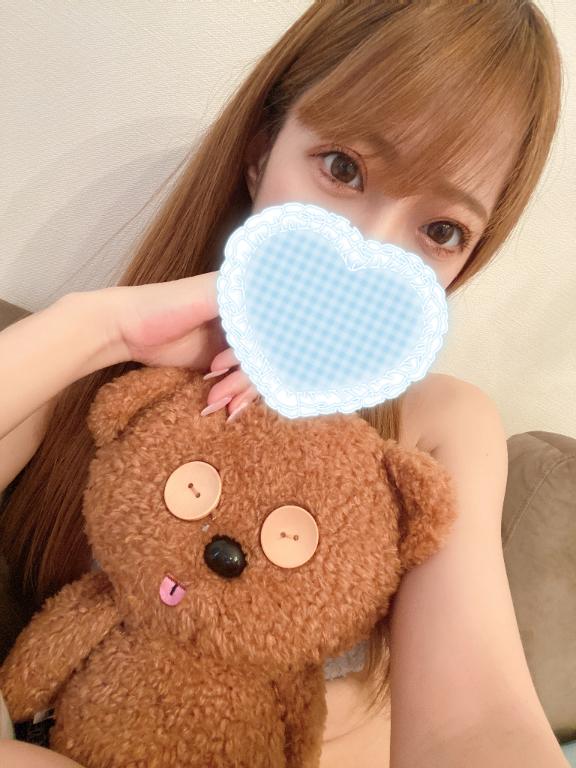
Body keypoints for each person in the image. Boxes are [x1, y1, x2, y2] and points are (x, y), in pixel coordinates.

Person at [0, 1, 569, 766]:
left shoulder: (440, 425)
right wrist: (100, 328)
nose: (367, 248)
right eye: (343, 168)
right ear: (260, 153)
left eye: (441, 231)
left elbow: (477, 719)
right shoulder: (111, 370)